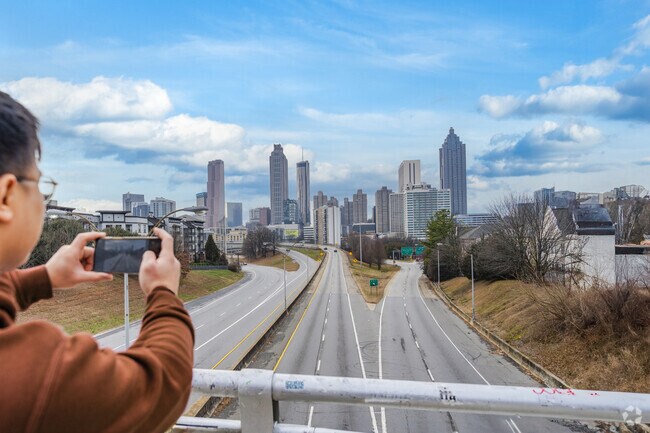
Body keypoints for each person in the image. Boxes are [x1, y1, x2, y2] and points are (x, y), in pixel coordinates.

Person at [0, 91, 194, 432]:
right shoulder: (40, 374)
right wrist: (163, 293)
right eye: (41, 185)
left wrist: (44, 277)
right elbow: (161, 383)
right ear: (6, 196)